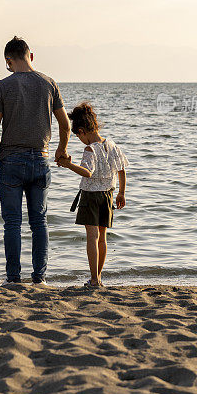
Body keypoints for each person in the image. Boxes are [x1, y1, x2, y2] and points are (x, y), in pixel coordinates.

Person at [0, 36, 70, 286]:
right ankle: (39, 278)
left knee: (12, 223)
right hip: (41, 159)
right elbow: (65, 125)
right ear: (31, 56)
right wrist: (60, 151)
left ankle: (13, 279)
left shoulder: (2, 87)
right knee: (39, 222)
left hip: (10, 161)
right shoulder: (49, 84)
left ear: (8, 61)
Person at [56, 101, 129, 288]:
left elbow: (87, 172)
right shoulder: (111, 145)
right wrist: (121, 193)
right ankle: (99, 277)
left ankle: (94, 279)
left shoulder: (90, 149)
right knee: (102, 238)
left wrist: (68, 165)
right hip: (107, 195)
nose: (79, 140)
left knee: (92, 237)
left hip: (90, 196)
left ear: (81, 131)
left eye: (78, 136)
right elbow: (121, 169)